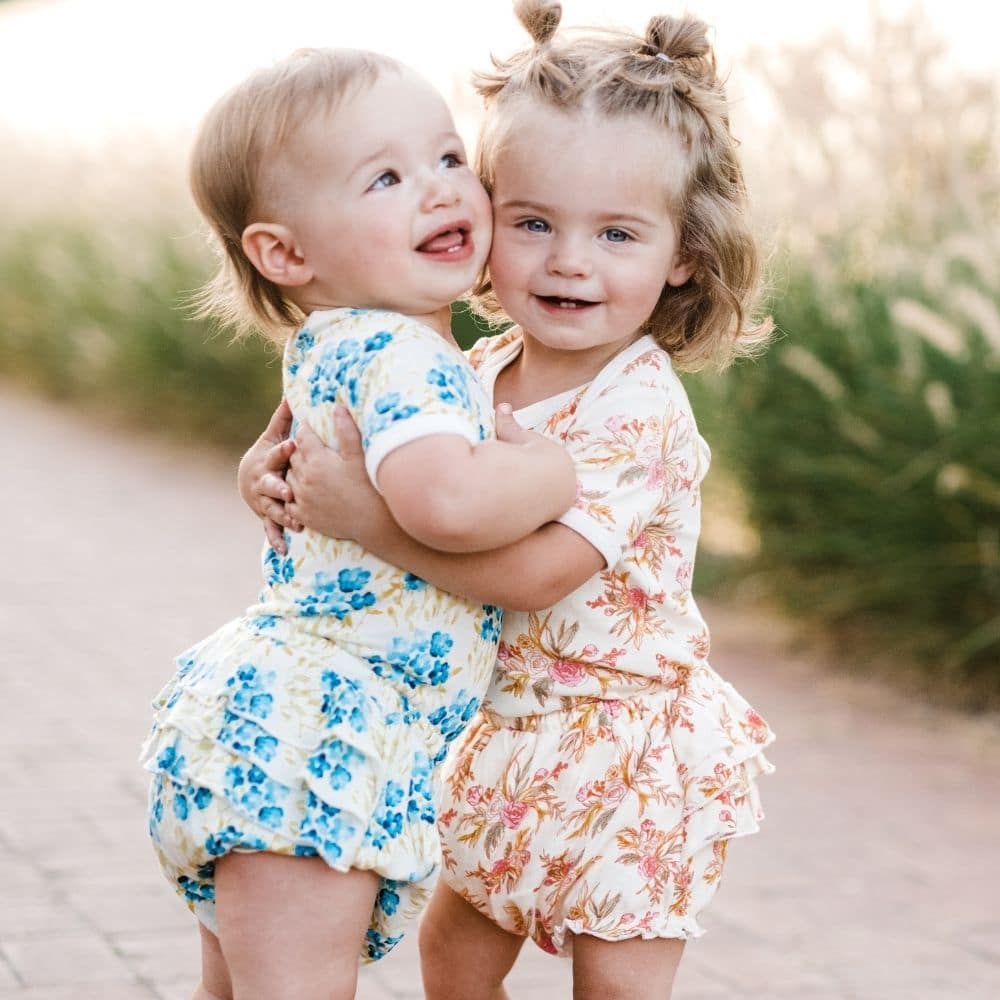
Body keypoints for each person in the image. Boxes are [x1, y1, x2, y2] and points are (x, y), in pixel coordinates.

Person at [244, 4, 776, 997]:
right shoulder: (470, 370)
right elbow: (337, 432)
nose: (567, 259)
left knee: (615, 980)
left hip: (625, 749)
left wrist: (363, 518)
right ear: (485, 218)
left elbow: (537, 575)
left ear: (683, 255)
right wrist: (263, 472)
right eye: (531, 222)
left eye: (616, 232)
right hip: (497, 731)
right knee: (452, 954)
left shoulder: (637, 410)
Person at [139, 45, 579, 1000]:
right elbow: (447, 504)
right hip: (320, 737)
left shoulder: (338, 341)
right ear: (287, 253)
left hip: (280, 719)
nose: (439, 191)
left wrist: (257, 480)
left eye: (449, 158)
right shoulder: (407, 361)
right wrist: (546, 470)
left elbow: (307, 473)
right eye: (385, 177)